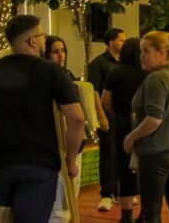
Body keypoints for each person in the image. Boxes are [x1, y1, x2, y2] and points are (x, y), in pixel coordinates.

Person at [0, 15, 85, 223]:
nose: (44, 41)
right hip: (38, 165)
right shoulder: (52, 72)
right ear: (32, 41)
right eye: (42, 36)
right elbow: (76, 119)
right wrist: (70, 161)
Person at [123, 31, 169, 223]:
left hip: (156, 151)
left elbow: (154, 119)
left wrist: (131, 137)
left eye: (146, 51)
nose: (141, 56)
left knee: (151, 211)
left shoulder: (156, 79)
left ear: (162, 53)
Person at [45, 36, 99, 223]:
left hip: (75, 143)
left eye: (63, 50)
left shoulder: (66, 75)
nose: (61, 55)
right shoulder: (49, 78)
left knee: (70, 197)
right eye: (55, 51)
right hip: (59, 145)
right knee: (59, 203)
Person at [102, 38, 148, 223]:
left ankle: (126, 214)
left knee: (123, 167)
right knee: (145, 166)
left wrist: (118, 113)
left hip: (122, 124)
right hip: (145, 124)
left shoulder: (115, 73)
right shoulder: (148, 73)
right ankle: (146, 212)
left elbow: (105, 100)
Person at [87, 27, 125, 211]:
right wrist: (101, 116)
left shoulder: (123, 63)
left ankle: (120, 192)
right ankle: (107, 193)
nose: (124, 44)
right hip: (107, 116)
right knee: (108, 154)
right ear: (112, 43)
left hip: (122, 115)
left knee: (122, 153)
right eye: (121, 40)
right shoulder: (98, 64)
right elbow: (93, 91)